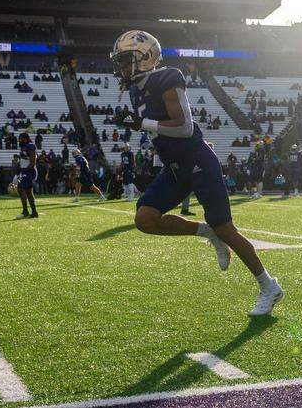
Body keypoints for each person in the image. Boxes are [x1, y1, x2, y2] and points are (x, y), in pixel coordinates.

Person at [110, 30, 284, 316]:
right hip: (175, 167)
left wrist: (142, 123)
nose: (121, 67)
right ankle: (206, 233)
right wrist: (141, 125)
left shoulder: (167, 78)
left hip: (197, 161)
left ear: (145, 58)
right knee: (145, 218)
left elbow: (185, 128)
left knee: (226, 228)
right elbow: (156, 128)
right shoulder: (134, 89)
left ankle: (269, 286)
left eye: (126, 60)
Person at [16, 132, 38, 218]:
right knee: (28, 191)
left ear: (25, 138)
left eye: (20, 138)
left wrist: (23, 171)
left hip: (30, 171)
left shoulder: (30, 146)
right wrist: (18, 173)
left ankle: (25, 211)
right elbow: (22, 161)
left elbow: (32, 163)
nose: (19, 140)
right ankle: (34, 212)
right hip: (25, 171)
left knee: (21, 188)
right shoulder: (23, 147)